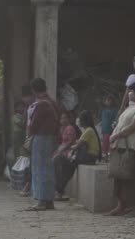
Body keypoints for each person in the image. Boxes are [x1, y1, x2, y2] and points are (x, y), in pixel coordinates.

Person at [108, 82, 135, 217]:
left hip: (133, 147)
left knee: (133, 178)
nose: (129, 93)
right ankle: (121, 206)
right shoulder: (129, 108)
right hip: (120, 146)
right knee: (119, 177)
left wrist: (116, 135)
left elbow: (132, 127)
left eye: (131, 91)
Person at [26, 78, 61, 211]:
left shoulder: (40, 105)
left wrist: (28, 132)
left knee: (39, 168)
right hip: (52, 138)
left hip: (41, 138)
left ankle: (41, 200)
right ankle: (49, 201)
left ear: (34, 90)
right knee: (49, 168)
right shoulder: (53, 103)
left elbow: (33, 125)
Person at [54, 110, 102, 201]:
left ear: (84, 120)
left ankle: (59, 191)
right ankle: (59, 191)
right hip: (86, 157)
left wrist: (69, 147)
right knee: (64, 167)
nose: (78, 121)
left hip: (88, 157)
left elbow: (76, 146)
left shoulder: (88, 131)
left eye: (80, 119)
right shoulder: (88, 130)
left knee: (60, 161)